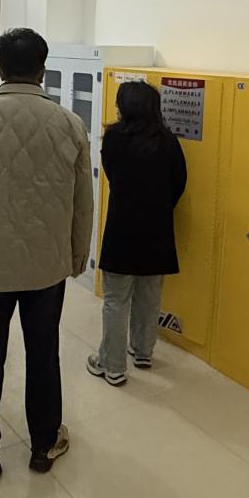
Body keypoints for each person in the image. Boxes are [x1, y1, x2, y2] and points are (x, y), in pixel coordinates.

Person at [0, 28, 94, 480]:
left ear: (0, 68)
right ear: (43, 70)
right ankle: (44, 445)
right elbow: (82, 202)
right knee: (43, 354)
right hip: (47, 267)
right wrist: (76, 256)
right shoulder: (70, 123)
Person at [86, 81, 188, 386]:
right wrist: (160, 206)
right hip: (157, 229)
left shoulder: (114, 138)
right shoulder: (168, 141)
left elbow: (111, 174)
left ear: (125, 107)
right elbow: (179, 181)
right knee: (149, 296)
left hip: (122, 228)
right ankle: (143, 352)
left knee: (116, 299)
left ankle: (112, 365)